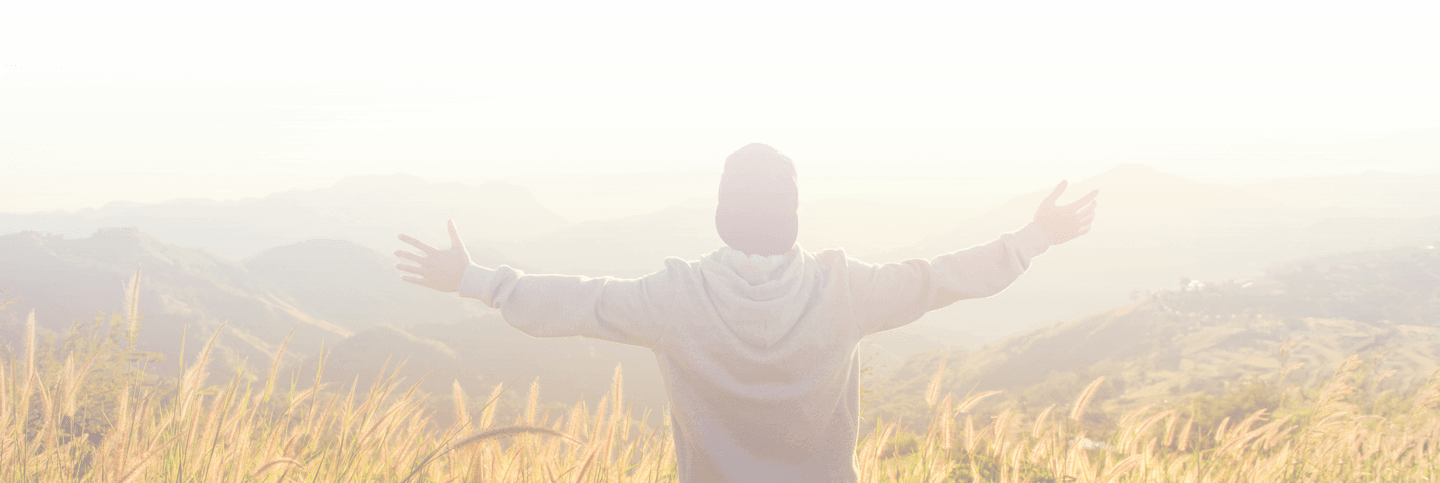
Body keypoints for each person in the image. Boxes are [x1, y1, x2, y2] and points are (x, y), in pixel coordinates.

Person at [394, 143, 1098, 482]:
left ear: (722, 217)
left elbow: (578, 300)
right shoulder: (842, 290)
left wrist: (477, 279)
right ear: (794, 219)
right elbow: (943, 278)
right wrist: (1035, 236)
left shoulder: (674, 298)